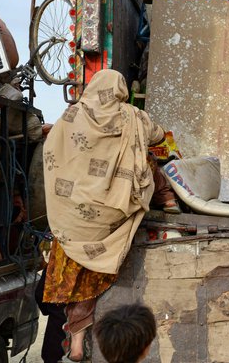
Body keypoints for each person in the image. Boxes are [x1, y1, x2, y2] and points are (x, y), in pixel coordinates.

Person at [42, 70, 166, 361]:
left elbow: (52, 150)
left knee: (75, 276)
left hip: (73, 214)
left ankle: (76, 341)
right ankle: (168, 198)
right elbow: (159, 136)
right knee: (148, 164)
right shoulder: (132, 116)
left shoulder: (72, 116)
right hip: (110, 214)